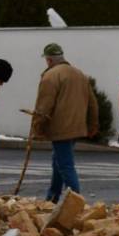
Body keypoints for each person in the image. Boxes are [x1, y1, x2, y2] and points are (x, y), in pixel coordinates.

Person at [32, 43, 98, 202]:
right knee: (58, 161)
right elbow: (92, 103)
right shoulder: (79, 74)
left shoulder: (51, 76)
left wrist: (37, 128)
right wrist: (93, 125)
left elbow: (44, 106)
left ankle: (76, 201)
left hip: (61, 127)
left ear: (48, 60)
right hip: (77, 127)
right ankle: (52, 196)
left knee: (65, 165)